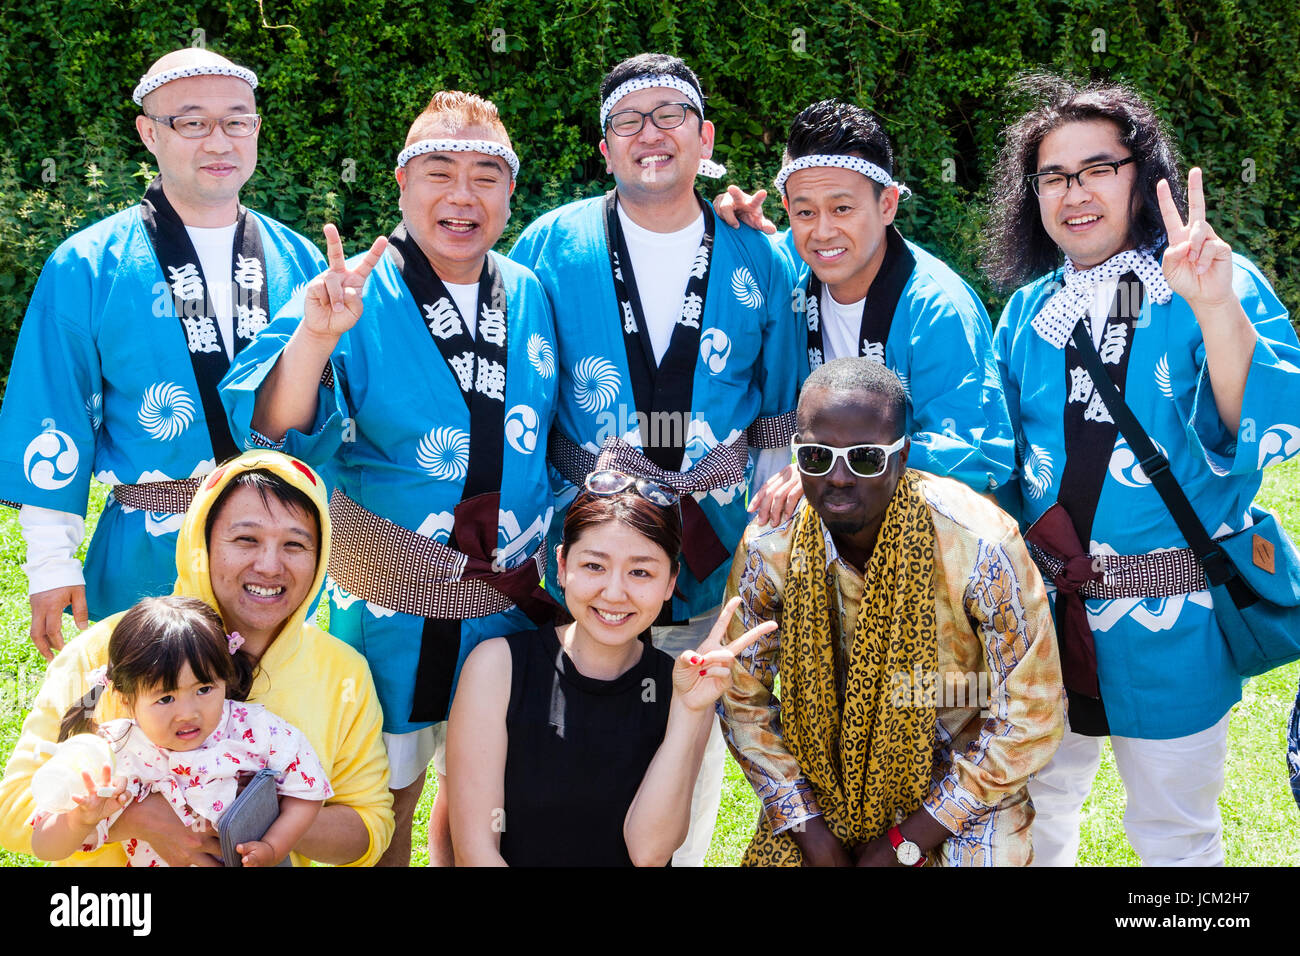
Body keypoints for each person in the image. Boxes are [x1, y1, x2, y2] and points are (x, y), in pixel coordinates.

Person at [221, 91, 558, 865]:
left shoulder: (528, 291)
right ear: (401, 185)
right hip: (391, 610)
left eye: (485, 175)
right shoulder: (352, 289)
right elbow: (274, 430)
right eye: (438, 171)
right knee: (383, 807)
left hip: (506, 609)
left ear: (512, 191)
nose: (461, 196)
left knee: (489, 800)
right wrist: (314, 335)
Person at [985, 74, 1300, 866]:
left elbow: (1255, 426)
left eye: (1099, 168)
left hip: (1175, 621)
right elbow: (1001, 469)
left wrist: (1215, 307)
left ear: (1143, 173)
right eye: (1054, 176)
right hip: (1048, 626)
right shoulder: (1029, 311)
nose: (1075, 192)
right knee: (1029, 820)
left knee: (1175, 836)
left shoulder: (1210, 281)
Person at [509, 52, 800, 866]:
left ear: (705, 138)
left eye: (671, 115)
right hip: (592, 537)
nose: (650, 134)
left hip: (712, 542)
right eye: (627, 121)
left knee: (691, 730)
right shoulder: (552, 242)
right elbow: (526, 401)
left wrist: (764, 541)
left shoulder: (757, 255)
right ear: (604, 149)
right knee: (578, 735)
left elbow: (777, 409)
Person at [0, 48, 326, 660]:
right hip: (151, 544)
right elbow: (53, 413)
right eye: (192, 122)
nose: (219, 141)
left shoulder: (299, 259)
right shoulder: (89, 264)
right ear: (149, 133)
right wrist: (49, 562)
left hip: (274, 557)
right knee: (148, 733)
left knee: (274, 732)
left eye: (237, 121)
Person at [718, 357, 1064, 866]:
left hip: (965, 778)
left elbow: (1032, 712)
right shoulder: (771, 548)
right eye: (816, 456)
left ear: (902, 455)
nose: (838, 477)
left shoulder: (980, 545)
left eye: (865, 458)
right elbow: (740, 695)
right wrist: (811, 832)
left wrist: (907, 839)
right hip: (825, 782)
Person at [0, 450, 394, 866]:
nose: (269, 565)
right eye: (246, 539)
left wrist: (260, 816)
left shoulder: (342, 673)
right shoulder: (112, 649)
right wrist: (139, 818)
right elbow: (13, 810)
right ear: (200, 543)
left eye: (295, 545)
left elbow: (371, 828)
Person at [447, 470, 775, 865]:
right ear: (563, 566)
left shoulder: (682, 688)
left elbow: (648, 852)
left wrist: (689, 712)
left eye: (641, 572)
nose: (615, 593)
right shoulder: (497, 668)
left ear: (671, 582)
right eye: (594, 566)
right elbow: (476, 851)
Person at [715, 99, 1014, 512]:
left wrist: (829, 467)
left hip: (915, 532)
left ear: (887, 204)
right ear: (786, 209)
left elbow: (974, 456)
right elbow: (731, 259)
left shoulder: (938, 309)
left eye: (842, 208)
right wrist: (725, 227)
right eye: (805, 211)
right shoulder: (788, 265)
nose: (822, 232)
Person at [30, 595, 331, 868]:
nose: (188, 713)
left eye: (204, 689)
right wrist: (79, 820)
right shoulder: (117, 752)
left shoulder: (254, 730)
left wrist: (273, 846)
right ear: (126, 699)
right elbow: (44, 846)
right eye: (165, 698)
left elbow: (307, 790)